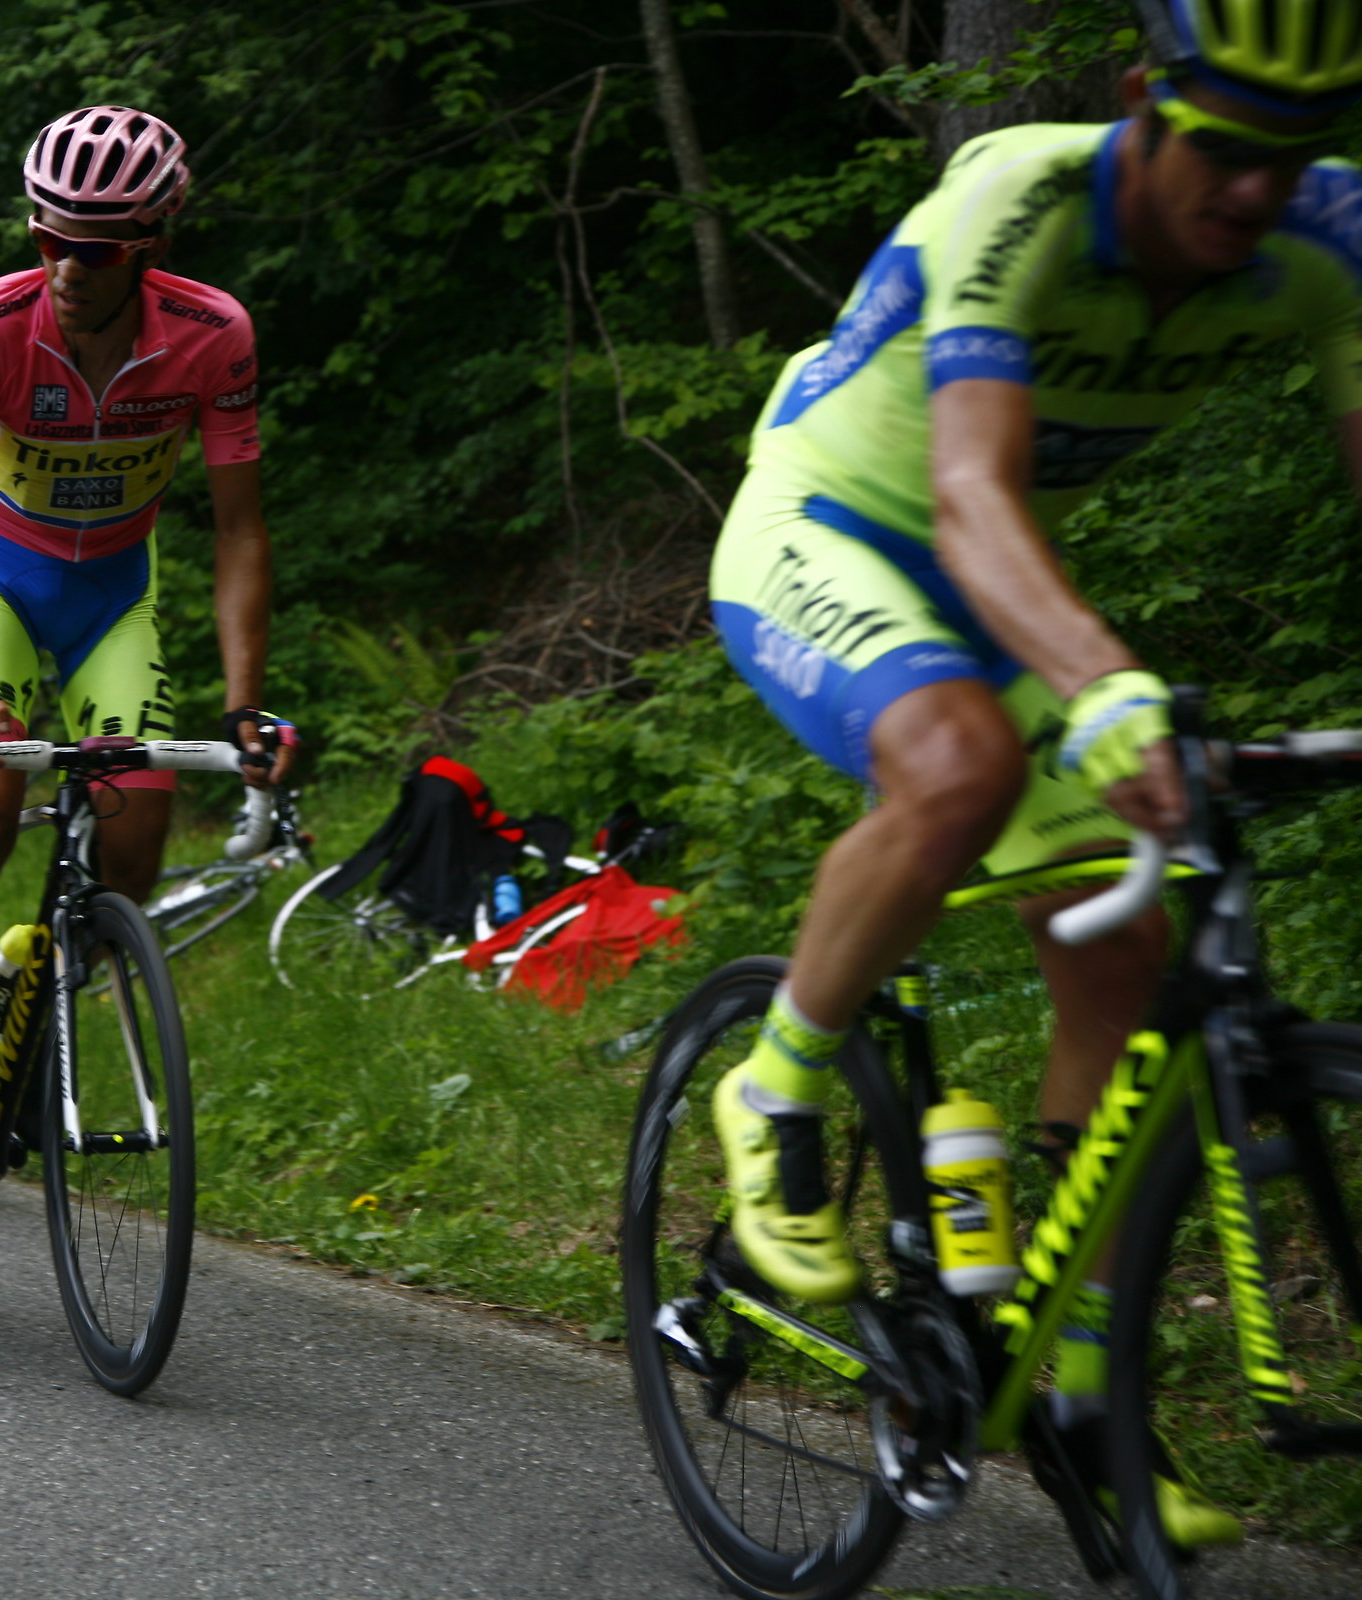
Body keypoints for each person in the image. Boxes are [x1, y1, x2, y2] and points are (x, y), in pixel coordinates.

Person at [702, 0, 1362, 1549]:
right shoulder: (1022, 193)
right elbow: (969, 492)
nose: (1259, 191)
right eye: (1226, 146)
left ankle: (1078, 1385)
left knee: (1129, 952)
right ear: (1144, 99)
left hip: (990, 583)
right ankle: (777, 1086)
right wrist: (1108, 686)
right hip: (832, 523)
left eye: (1296, 154)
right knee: (960, 765)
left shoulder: (1332, 239)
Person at [0, 107, 296, 1211]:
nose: (67, 266)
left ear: (151, 243)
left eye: (97, 247)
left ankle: (28, 968)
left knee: (133, 844)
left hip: (118, 597)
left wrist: (249, 705)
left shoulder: (215, 336)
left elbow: (241, 531)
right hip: (2, 588)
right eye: (50, 238)